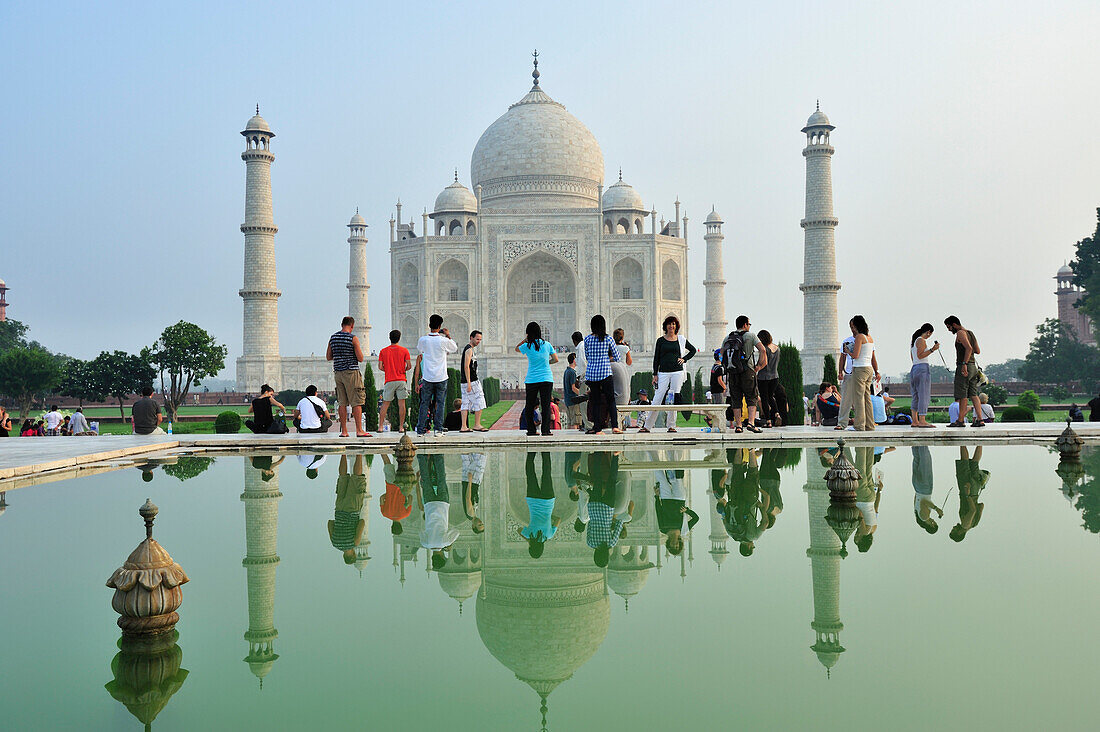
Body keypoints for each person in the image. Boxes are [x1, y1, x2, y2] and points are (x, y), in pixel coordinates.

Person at [642, 315, 697, 433]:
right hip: (663, 373)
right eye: (669, 324)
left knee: (673, 398)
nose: (671, 326)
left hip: (677, 372)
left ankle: (671, 426)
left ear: (676, 326)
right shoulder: (661, 340)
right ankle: (647, 426)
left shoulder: (681, 339)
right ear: (665, 326)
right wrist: (655, 374)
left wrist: (684, 359)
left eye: (673, 324)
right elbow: (656, 358)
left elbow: (692, 350)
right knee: (657, 398)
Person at [414, 314, 458, 436]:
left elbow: (420, 349)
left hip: (427, 377)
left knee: (424, 404)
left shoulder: (423, 340)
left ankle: (421, 430)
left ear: (429, 325)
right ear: (440, 326)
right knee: (440, 403)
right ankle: (438, 429)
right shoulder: (444, 341)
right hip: (441, 377)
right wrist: (448, 335)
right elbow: (454, 348)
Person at [585, 451, 633, 566]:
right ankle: (597, 454)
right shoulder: (590, 543)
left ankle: (615, 456)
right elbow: (590, 525)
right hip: (593, 508)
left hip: (607, 510)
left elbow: (619, 524)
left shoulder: (611, 543)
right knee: (597, 479)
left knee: (611, 479)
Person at [722, 315, 767, 434]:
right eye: (749, 324)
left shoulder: (728, 337)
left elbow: (721, 353)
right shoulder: (750, 336)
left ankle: (738, 425)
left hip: (733, 372)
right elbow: (762, 350)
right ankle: (751, 423)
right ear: (745, 325)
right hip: (748, 371)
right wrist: (758, 365)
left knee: (736, 398)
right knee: (751, 397)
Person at [326, 316, 370, 437]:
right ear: (352, 326)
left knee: (342, 402)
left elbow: (329, 357)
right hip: (351, 372)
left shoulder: (333, 337)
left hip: (338, 373)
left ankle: (344, 431)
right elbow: (361, 358)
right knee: (356, 401)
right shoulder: (353, 338)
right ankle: (359, 430)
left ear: (341, 324)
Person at [516, 321, 558, 437]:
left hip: (532, 379)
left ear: (528, 333)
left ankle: (531, 430)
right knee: (546, 405)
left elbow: (516, 349)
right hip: (546, 378)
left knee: (529, 405)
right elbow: (556, 359)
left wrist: (526, 340)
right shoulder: (547, 344)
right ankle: (546, 431)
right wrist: (546, 363)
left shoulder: (527, 346)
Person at [417, 452, 458, 569]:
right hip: (429, 505)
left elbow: (456, 531)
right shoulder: (426, 543)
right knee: (425, 478)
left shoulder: (445, 542)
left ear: (443, 556)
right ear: (432, 557)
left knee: (441, 478)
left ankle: (438, 455)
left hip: (442, 504)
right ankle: (421, 456)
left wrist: (450, 544)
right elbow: (421, 531)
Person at [583, 315, 622, 434]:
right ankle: (614, 426)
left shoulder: (587, 339)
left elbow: (587, 356)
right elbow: (617, 357)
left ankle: (598, 428)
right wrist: (606, 358)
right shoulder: (609, 339)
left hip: (592, 374)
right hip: (605, 373)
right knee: (610, 400)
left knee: (595, 402)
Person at [654, 454, 699, 555]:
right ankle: (673, 454)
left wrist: (656, 497)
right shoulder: (684, 530)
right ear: (680, 544)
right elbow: (696, 518)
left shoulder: (663, 529)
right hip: (679, 499)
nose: (675, 545)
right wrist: (687, 510)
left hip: (665, 499)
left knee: (659, 475)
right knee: (676, 478)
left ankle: (651, 451)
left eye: (673, 546)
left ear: (669, 545)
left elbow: (659, 511)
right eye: (677, 546)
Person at [328, 455, 368, 565]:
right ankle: (343, 453)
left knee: (357, 478)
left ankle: (359, 453)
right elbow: (330, 523)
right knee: (342, 478)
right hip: (339, 509)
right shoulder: (335, 543)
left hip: (352, 508)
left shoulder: (354, 543)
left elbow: (362, 523)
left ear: (353, 554)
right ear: (344, 555)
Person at [944, 315, 983, 427]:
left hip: (964, 366)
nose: (949, 329)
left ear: (954, 324)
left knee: (962, 395)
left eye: (949, 327)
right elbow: (977, 350)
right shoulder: (970, 333)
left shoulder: (960, 333)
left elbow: (969, 348)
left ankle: (960, 421)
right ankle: (980, 420)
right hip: (973, 367)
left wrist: (964, 364)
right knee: (974, 394)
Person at [520, 452, 560, 558]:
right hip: (533, 500)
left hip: (548, 501)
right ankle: (531, 451)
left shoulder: (549, 535)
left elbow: (558, 520)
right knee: (530, 472)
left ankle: (545, 450)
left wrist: (549, 516)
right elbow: (519, 530)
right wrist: (528, 540)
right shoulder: (528, 534)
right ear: (530, 547)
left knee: (546, 473)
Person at [845, 315, 878, 431]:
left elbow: (856, 355)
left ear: (857, 325)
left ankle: (859, 425)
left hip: (859, 368)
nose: (852, 328)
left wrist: (848, 350)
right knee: (867, 397)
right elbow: (872, 356)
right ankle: (869, 425)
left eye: (853, 326)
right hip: (869, 369)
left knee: (858, 398)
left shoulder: (859, 337)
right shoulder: (870, 338)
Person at [951, 446, 989, 542]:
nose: (953, 527)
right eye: (953, 530)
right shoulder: (965, 524)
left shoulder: (974, 524)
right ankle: (962, 440)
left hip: (975, 491)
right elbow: (972, 510)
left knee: (974, 463)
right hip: (967, 491)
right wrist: (967, 495)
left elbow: (981, 506)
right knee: (964, 463)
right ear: (959, 533)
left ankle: (980, 441)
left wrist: (973, 499)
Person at [378, 329, 412, 432]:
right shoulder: (404, 350)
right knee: (401, 404)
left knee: (385, 404)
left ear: (390, 338)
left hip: (389, 380)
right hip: (401, 379)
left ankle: (380, 427)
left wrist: (388, 370)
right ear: (399, 338)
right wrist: (402, 370)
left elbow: (380, 366)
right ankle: (401, 427)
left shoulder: (383, 351)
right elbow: (409, 365)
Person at [909, 323, 939, 428]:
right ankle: (922, 420)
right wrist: (932, 349)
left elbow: (913, 358)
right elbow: (920, 355)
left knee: (916, 395)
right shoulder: (921, 340)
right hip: (922, 368)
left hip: (915, 368)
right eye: (929, 334)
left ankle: (915, 420)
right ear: (928, 332)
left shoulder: (914, 342)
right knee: (924, 394)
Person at [853, 446, 880, 553]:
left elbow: (876, 509)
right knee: (860, 469)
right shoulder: (864, 531)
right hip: (862, 497)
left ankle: (869, 444)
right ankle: (861, 444)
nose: (855, 537)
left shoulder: (873, 529)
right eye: (856, 540)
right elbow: (860, 514)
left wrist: (879, 491)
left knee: (868, 467)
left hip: (871, 497)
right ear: (861, 541)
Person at [460, 330, 488, 432]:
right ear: (471, 337)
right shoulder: (469, 349)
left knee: (465, 402)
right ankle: (477, 424)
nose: (478, 341)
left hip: (465, 381)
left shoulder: (469, 349)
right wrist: (469, 383)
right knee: (479, 400)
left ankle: (464, 426)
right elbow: (466, 366)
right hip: (471, 381)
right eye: (477, 339)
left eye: (480, 340)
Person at [912, 445, 942, 534]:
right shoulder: (917, 514)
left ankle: (922, 437)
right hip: (917, 487)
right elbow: (915, 499)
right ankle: (915, 439)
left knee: (925, 458)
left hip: (924, 488)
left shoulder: (925, 517)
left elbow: (924, 502)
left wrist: (936, 509)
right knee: (917, 458)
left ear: (932, 525)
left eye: (935, 523)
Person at [380, 453, 412, 535]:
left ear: (401, 526)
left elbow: (410, 497)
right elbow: (381, 498)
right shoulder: (385, 513)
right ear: (392, 526)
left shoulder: (406, 514)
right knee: (386, 462)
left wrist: (406, 494)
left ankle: (402, 450)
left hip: (402, 485)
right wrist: (388, 495)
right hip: (390, 485)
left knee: (403, 464)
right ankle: (382, 448)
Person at [757, 330, 782, 427]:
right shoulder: (777, 348)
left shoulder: (764, 349)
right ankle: (776, 413)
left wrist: (756, 367)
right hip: (775, 376)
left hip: (763, 377)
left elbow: (762, 362)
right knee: (771, 396)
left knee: (764, 398)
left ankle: (768, 421)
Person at [562, 353, 589, 431]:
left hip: (568, 400)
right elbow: (573, 388)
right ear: (574, 360)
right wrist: (582, 396)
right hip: (574, 401)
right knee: (575, 423)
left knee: (570, 422)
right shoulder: (572, 372)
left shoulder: (566, 371)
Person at [460, 452, 486, 533]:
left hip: (472, 482)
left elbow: (467, 498)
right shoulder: (472, 515)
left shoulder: (471, 515)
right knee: (466, 459)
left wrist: (470, 481)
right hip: (469, 482)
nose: (481, 522)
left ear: (473, 526)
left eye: (479, 525)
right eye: (482, 524)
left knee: (481, 458)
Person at [610, 328, 633, 410]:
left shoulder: (611, 347)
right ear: (622, 338)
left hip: (612, 370)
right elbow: (629, 362)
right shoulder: (625, 348)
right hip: (623, 370)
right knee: (625, 389)